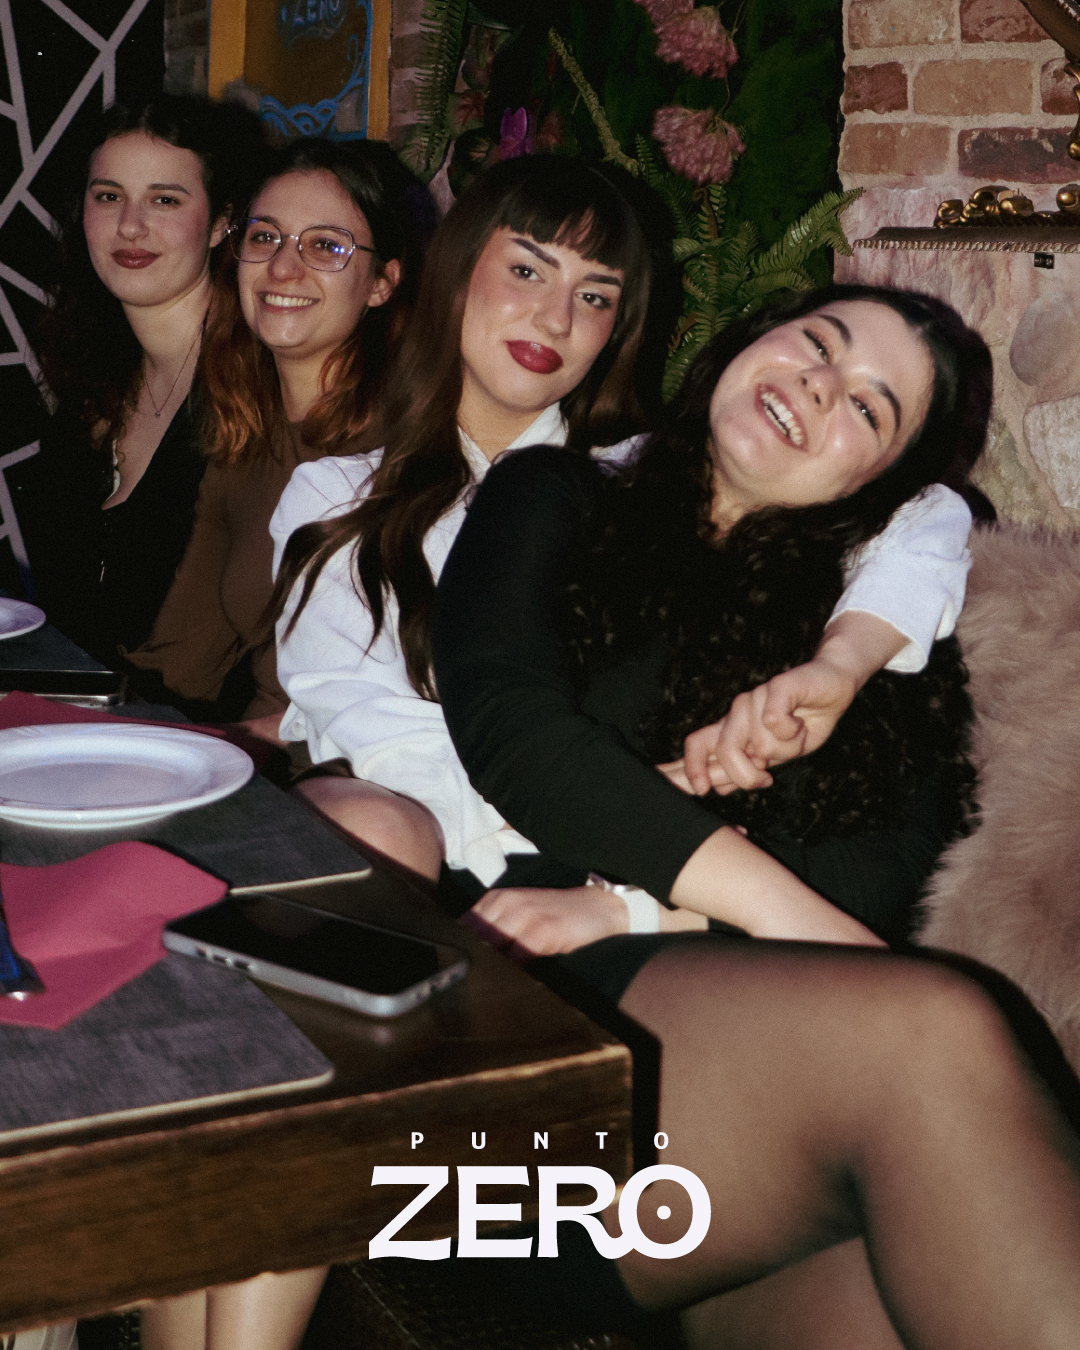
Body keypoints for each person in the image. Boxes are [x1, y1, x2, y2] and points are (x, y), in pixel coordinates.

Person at [269, 156, 971, 901]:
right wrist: (620, 806)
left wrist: (843, 664)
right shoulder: (339, 496)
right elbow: (370, 725)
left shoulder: (633, 481)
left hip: (624, 861)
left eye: (595, 296)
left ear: (618, 329)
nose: (555, 319)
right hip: (440, 838)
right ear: (456, 270)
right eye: (527, 271)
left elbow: (927, 513)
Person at [125, 136, 424, 733]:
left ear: (382, 283)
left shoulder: (407, 451)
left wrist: (224, 751)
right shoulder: (245, 436)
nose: (283, 268)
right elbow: (178, 663)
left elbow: (377, 710)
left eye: (326, 246)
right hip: (253, 759)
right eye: (265, 238)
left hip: (351, 773)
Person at [13, 94, 266, 668]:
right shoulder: (92, 384)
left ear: (220, 223)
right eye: (108, 196)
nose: (130, 225)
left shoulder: (259, 387)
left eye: (164, 200)